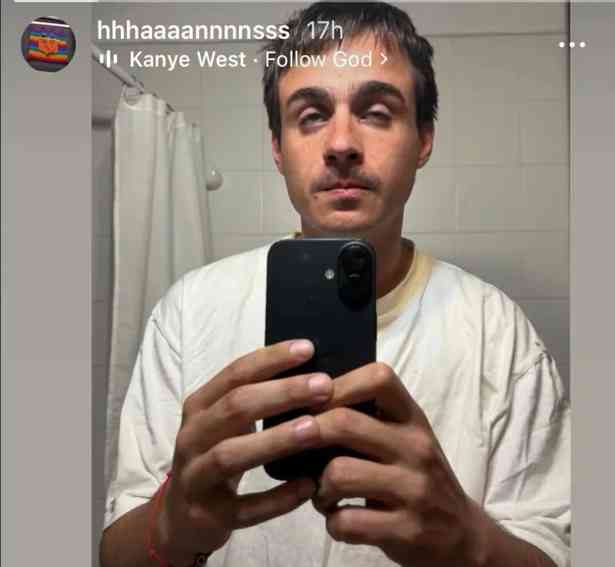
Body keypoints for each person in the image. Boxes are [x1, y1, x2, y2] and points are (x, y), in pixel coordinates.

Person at [100, 3, 571, 567]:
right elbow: (116, 550)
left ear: (423, 139)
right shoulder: (189, 311)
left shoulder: (497, 331)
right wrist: (170, 527)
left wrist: (471, 543)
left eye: (376, 112)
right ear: (278, 148)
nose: (341, 143)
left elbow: (555, 547)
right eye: (311, 115)